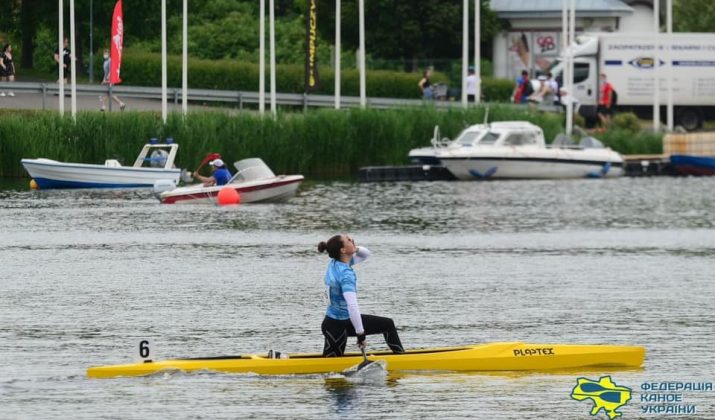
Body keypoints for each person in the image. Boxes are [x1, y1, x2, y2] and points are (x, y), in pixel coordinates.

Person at [318, 234, 404, 357]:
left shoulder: (337, 262)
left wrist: (353, 248)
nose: (352, 239)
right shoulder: (346, 275)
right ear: (342, 250)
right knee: (328, 367)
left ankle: (401, 357)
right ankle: (402, 360)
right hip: (338, 326)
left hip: (335, 322)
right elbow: (352, 306)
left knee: (387, 324)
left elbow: (365, 253)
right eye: (348, 240)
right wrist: (360, 334)